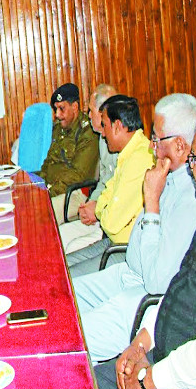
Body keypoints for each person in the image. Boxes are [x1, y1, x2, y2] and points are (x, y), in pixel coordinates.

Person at [93, 105, 196, 389]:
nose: (191, 167)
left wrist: (149, 380)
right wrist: (141, 343)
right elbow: (176, 289)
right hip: (163, 360)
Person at [72, 94, 196, 362]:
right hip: (130, 275)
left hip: (148, 300)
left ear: (180, 145)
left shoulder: (193, 196)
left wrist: (151, 201)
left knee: (70, 336)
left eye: (156, 139)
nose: (152, 147)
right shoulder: (166, 176)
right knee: (64, 295)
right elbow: (135, 254)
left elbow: (157, 282)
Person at [67, 95, 155, 277]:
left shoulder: (139, 158)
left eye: (105, 126)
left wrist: (99, 210)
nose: (103, 133)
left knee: (69, 278)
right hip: (112, 242)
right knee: (62, 264)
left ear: (117, 126)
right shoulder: (128, 152)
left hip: (127, 250)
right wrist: (103, 208)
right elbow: (107, 192)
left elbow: (110, 223)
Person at [54, 84, 118, 247]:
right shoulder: (103, 138)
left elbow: (118, 191)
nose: (88, 115)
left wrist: (96, 208)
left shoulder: (118, 142)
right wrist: (92, 202)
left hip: (111, 220)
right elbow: (104, 181)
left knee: (66, 244)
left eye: (91, 111)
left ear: (103, 113)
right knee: (59, 236)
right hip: (99, 208)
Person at [37, 83, 99, 197]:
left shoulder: (87, 132)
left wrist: (48, 194)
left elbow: (77, 175)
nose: (57, 114)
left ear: (74, 107)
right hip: (52, 189)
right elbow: (48, 162)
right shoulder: (58, 129)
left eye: (61, 108)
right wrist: (37, 185)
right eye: (56, 109)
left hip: (72, 193)